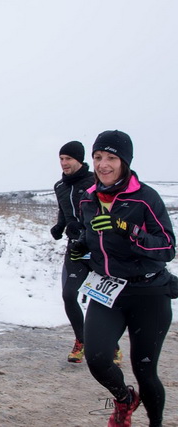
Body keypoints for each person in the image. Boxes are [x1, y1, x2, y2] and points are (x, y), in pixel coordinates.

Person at [72, 130, 175, 426]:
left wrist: (127, 229)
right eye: (98, 157)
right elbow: (88, 234)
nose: (103, 164)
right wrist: (82, 245)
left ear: (125, 161)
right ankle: (124, 400)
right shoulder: (88, 199)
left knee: (145, 371)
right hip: (109, 291)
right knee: (98, 359)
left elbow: (167, 247)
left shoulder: (144, 198)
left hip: (149, 293)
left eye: (111, 158)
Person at [50, 141, 125, 364]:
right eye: (61, 159)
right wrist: (59, 226)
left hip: (97, 247)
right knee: (69, 295)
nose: (64, 163)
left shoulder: (94, 181)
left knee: (101, 297)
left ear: (79, 160)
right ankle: (81, 341)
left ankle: (111, 345)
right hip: (74, 247)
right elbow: (64, 211)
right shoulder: (59, 186)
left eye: (68, 159)